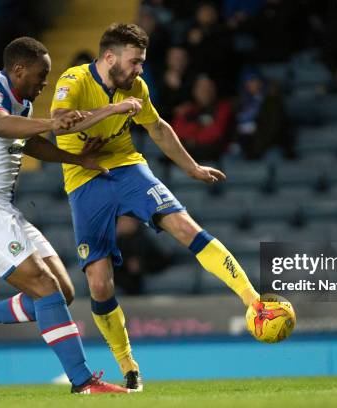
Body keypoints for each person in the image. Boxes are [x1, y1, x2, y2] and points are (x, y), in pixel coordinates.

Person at [50, 23, 261, 391]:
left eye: (142, 62)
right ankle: (128, 365)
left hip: (127, 166)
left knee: (184, 226)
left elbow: (158, 128)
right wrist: (114, 109)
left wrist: (192, 168)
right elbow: (59, 128)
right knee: (99, 284)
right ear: (110, 57)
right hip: (84, 179)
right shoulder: (74, 81)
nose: (140, 70)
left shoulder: (137, 88)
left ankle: (253, 300)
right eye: (135, 62)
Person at [0, 37, 143, 394]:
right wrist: (53, 123)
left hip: (3, 208)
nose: (44, 82)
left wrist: (78, 159)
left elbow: (28, 143)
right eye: (40, 75)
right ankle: (83, 381)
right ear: (18, 70)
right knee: (44, 287)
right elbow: (2, 127)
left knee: (60, 293)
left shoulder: (24, 101)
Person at [172, 74, 233, 161]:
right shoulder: (187, 109)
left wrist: (193, 139)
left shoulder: (223, 107)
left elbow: (216, 133)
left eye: (208, 87)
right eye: (201, 87)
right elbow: (176, 131)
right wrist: (201, 128)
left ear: (214, 89)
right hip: (189, 157)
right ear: (194, 90)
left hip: (215, 158)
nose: (205, 91)